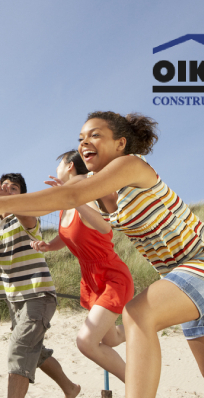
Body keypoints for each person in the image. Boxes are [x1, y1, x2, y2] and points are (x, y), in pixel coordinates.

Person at [0, 112, 204, 398]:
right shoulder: (87, 184)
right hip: (181, 278)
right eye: (81, 138)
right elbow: (54, 203)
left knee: (138, 314)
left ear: (120, 143)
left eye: (95, 135)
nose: (84, 143)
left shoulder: (131, 164)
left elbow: (69, 197)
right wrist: (2, 206)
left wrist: (0, 204)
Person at [0, 173, 81, 398]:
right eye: (5, 187)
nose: (8, 190)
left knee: (19, 349)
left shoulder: (26, 215)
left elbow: (24, 213)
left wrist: (6, 201)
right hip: (13, 299)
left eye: (14, 189)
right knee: (35, 350)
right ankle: (71, 388)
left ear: (21, 195)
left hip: (38, 294)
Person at [29, 150, 133, 382]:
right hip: (91, 279)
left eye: (58, 164)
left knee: (86, 342)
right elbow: (69, 235)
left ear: (69, 166)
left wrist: (75, 199)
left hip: (112, 276)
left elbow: (106, 229)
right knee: (112, 339)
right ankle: (143, 322)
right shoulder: (67, 203)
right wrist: (49, 245)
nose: (55, 168)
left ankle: (138, 388)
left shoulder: (87, 193)